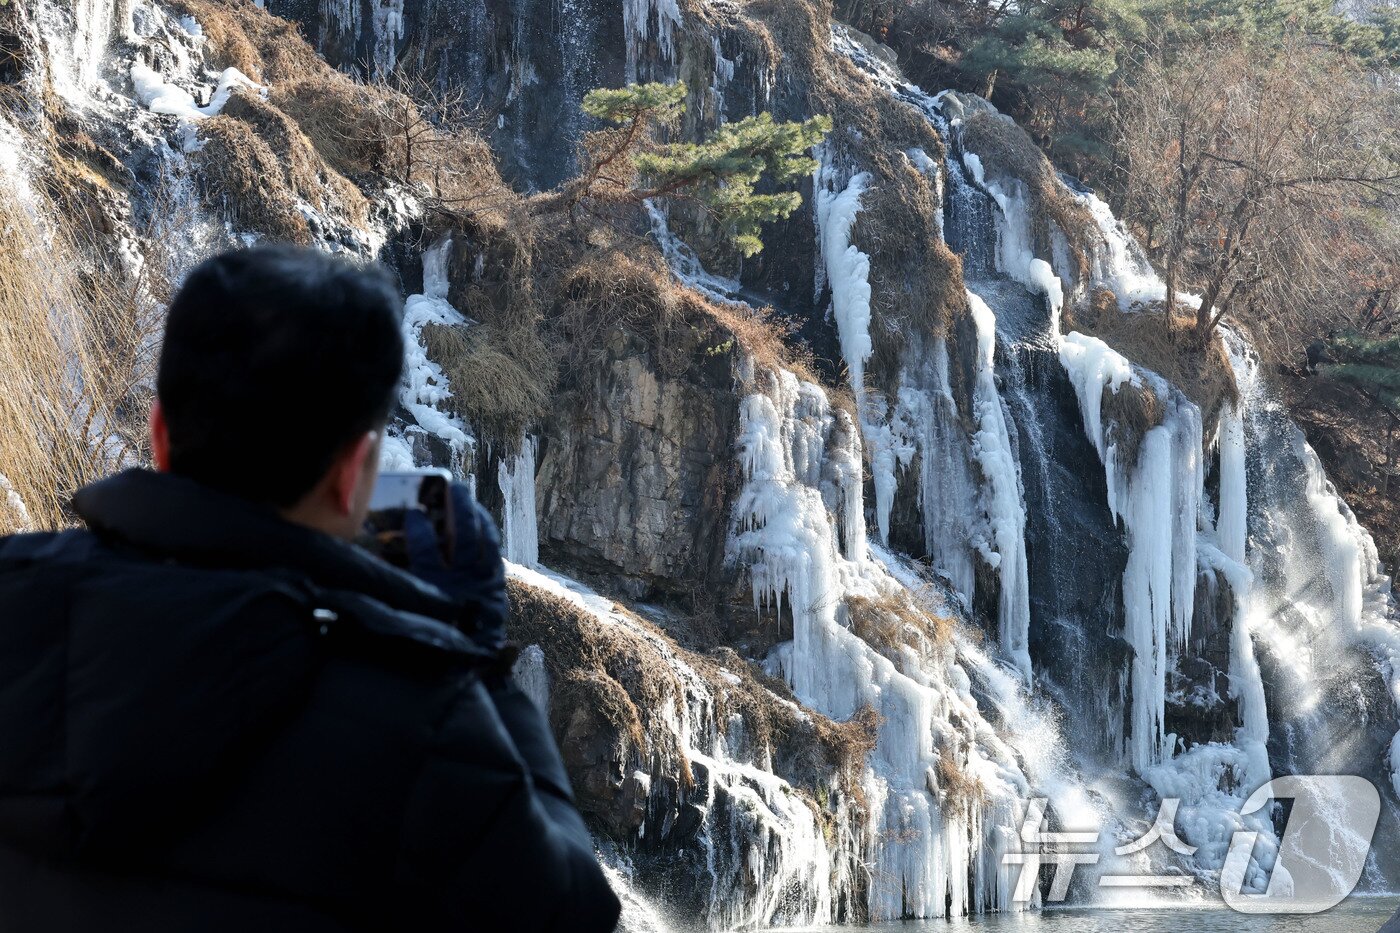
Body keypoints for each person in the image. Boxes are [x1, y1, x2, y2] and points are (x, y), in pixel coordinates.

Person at [0, 246, 621, 932]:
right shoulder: (427, 727)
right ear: (354, 471)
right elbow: (572, 913)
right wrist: (475, 659)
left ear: (159, 434)